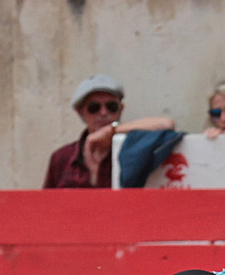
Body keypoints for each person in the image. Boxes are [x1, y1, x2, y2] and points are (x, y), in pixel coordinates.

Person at [43, 74, 176, 189]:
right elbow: (47, 206)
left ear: (121, 109)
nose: (103, 112)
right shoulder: (61, 158)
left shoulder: (133, 151)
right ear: (81, 111)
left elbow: (166, 124)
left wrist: (111, 130)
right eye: (94, 107)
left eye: (111, 106)